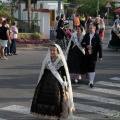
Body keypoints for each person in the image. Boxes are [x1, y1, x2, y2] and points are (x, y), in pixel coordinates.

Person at [30, 44, 75, 120]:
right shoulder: (47, 59)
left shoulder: (61, 60)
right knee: (45, 99)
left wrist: (67, 85)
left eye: (54, 50)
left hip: (57, 83)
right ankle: (47, 114)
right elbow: (43, 71)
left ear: (57, 51)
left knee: (56, 99)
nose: (52, 52)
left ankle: (55, 115)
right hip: (46, 82)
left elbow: (65, 74)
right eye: (51, 50)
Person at [81, 24, 103, 88]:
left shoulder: (97, 36)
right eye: (89, 28)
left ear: (94, 29)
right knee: (88, 67)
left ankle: (91, 82)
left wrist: (100, 56)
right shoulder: (86, 35)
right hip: (87, 53)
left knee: (92, 66)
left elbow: (100, 46)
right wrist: (86, 46)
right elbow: (82, 43)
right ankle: (89, 80)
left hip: (94, 54)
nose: (89, 29)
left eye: (91, 28)